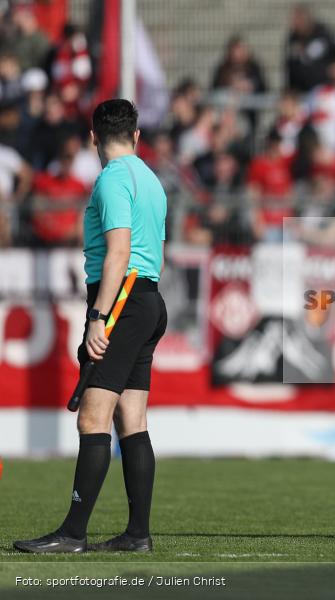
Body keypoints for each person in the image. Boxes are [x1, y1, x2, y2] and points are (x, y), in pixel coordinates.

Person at [14, 99, 168, 553]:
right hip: (148, 297)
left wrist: (99, 317)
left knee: (93, 417)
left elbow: (119, 251)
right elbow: (150, 247)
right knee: (132, 419)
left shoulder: (113, 178)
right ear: (137, 136)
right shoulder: (151, 179)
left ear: (93, 137)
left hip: (120, 299)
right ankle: (137, 534)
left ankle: (73, 534)